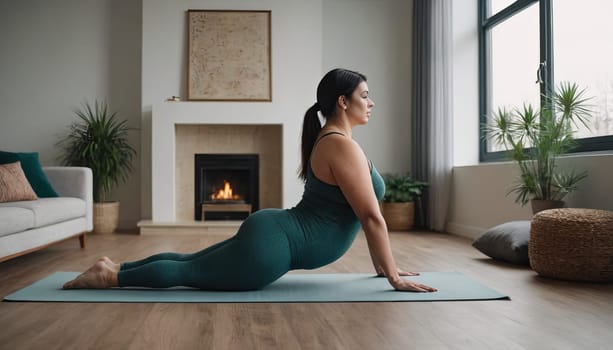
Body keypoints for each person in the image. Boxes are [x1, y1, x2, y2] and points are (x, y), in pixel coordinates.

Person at [63, 68, 437, 293]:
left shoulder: (335, 142)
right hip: (273, 248)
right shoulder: (341, 147)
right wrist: (393, 278)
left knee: (191, 261)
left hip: (275, 234)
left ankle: (115, 267)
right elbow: (371, 217)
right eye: (365, 96)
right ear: (343, 101)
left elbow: (359, 215)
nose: (371, 103)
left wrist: (383, 266)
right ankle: (111, 278)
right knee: (190, 271)